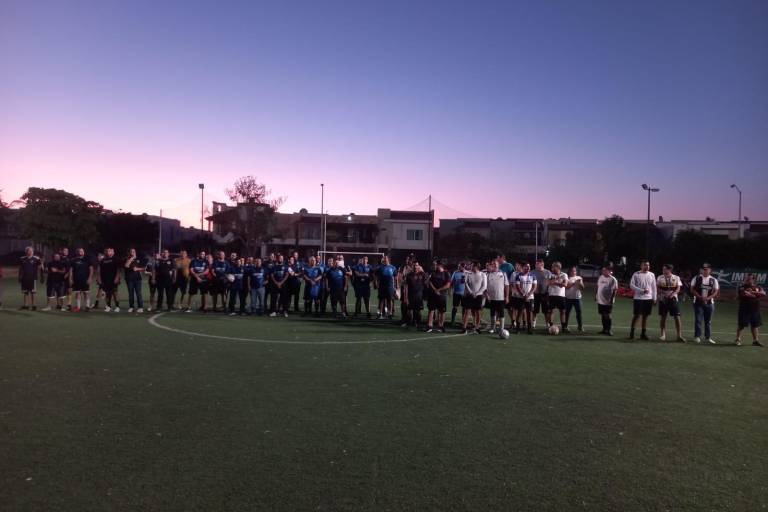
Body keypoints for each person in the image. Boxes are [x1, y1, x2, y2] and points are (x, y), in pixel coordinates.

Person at [691, 263, 720, 344]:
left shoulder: (713, 280)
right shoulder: (697, 278)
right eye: (703, 269)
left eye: (706, 269)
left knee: (708, 321)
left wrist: (707, 298)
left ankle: (708, 337)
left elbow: (716, 291)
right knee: (698, 320)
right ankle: (697, 336)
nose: (705, 270)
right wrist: (700, 297)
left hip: (709, 303)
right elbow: (692, 289)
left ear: (710, 270)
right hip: (698, 302)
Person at [628, 260, 657, 340]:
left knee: (645, 317)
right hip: (638, 298)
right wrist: (642, 290)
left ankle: (643, 334)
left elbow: (654, 287)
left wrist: (654, 298)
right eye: (645, 265)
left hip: (648, 298)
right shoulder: (636, 274)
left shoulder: (652, 274)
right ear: (641, 266)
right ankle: (632, 333)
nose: (647, 267)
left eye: (648, 265)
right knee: (636, 316)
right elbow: (631, 285)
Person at [657, 264, 686, 342]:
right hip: (663, 299)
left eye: (665, 269)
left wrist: (673, 294)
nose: (663, 271)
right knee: (663, 317)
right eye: (663, 269)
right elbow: (657, 287)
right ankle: (663, 335)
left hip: (673, 299)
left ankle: (679, 336)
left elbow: (678, 288)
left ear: (670, 270)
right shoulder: (660, 277)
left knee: (677, 317)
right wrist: (664, 293)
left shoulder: (676, 277)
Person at [735, 274, 765, 347]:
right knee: (741, 325)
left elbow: (763, 294)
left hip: (755, 310)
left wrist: (754, 292)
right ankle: (738, 339)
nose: (747, 280)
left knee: (755, 325)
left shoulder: (758, 287)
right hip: (744, 309)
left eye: (749, 279)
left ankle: (755, 340)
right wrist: (755, 295)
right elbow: (746, 295)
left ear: (753, 280)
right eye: (746, 279)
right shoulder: (742, 287)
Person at [462, 261, 487, 334]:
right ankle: (464, 327)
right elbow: (465, 283)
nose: (470, 267)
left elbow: (484, 286)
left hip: (478, 296)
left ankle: (477, 327)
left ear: (476, 266)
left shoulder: (483, 274)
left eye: (472, 266)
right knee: (467, 311)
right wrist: (471, 292)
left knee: (478, 312)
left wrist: (477, 293)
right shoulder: (468, 273)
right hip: (469, 295)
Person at [425, 262, 451, 333]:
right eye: (434, 265)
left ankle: (441, 326)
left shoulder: (446, 274)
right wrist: (435, 290)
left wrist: (439, 290)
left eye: (436, 265)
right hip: (432, 295)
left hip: (441, 296)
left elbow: (448, 285)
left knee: (442, 311)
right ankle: (429, 326)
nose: (435, 266)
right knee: (431, 310)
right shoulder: (433, 273)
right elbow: (429, 282)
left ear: (440, 265)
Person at [485, 260, 509, 334]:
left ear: (498, 265)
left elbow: (507, 285)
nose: (494, 265)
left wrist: (507, 296)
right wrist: (487, 296)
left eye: (495, 264)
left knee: (501, 313)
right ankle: (493, 328)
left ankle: (501, 328)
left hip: (501, 297)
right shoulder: (488, 275)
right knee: (492, 313)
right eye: (493, 264)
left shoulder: (503, 273)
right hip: (491, 298)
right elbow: (485, 287)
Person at [403, 262, 428, 329]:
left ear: (419, 266)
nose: (415, 267)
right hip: (411, 295)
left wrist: (425, 295)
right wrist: (405, 297)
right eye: (414, 265)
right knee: (409, 310)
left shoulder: (422, 274)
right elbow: (406, 287)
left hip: (419, 295)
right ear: (412, 266)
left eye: (417, 265)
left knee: (418, 310)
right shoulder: (409, 275)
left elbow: (426, 283)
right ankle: (409, 322)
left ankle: (418, 323)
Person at [596, 263, 619, 335]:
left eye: (605, 270)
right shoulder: (601, 277)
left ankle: (609, 330)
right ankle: (604, 329)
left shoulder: (613, 279)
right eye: (603, 270)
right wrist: (595, 295)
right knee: (602, 314)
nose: (603, 272)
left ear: (609, 271)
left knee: (608, 315)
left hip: (608, 301)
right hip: (600, 300)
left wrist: (612, 298)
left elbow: (615, 290)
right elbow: (598, 287)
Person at [514, 262, 537, 335]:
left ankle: (529, 329)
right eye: (526, 266)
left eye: (529, 266)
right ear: (523, 267)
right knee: (520, 313)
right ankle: (517, 329)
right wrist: (524, 295)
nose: (528, 268)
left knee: (529, 313)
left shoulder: (533, 276)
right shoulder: (518, 276)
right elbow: (518, 287)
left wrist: (528, 295)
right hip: (520, 298)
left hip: (530, 298)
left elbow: (534, 287)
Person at [19, 246, 43, 310]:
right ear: (26, 251)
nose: (30, 252)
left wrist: (40, 274)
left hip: (33, 278)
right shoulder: (22, 258)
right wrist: (20, 276)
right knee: (25, 292)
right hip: (24, 278)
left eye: (31, 251)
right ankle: (26, 305)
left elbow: (40, 266)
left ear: (33, 251)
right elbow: (21, 268)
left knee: (33, 292)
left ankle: (34, 306)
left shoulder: (36, 258)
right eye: (28, 251)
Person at [98, 247, 121, 312]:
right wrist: (99, 278)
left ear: (112, 252)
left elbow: (118, 270)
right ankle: (108, 306)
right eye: (107, 251)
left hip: (113, 279)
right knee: (107, 293)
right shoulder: (103, 260)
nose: (108, 252)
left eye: (110, 251)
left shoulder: (115, 259)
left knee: (115, 293)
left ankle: (117, 307)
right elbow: (100, 270)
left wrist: (117, 278)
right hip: (105, 279)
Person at [546, 262, 568, 332]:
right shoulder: (550, 274)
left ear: (558, 267)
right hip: (552, 295)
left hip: (561, 295)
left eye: (553, 267)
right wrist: (559, 283)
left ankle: (564, 327)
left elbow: (565, 284)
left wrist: (555, 282)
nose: (552, 268)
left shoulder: (564, 275)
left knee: (563, 311)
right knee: (551, 311)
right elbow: (548, 283)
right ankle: (551, 326)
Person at [70, 248, 93, 312]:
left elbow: (91, 269)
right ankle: (78, 307)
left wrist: (90, 278)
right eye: (79, 251)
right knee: (77, 293)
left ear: (84, 252)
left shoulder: (87, 260)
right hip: (76, 279)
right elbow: (71, 270)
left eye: (82, 251)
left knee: (86, 293)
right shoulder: (73, 260)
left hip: (85, 279)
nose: (80, 252)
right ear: (77, 252)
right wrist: (70, 278)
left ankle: (87, 306)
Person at [374, 256, 397, 320]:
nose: (384, 260)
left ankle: (389, 314)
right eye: (384, 259)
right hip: (381, 286)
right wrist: (375, 283)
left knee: (390, 300)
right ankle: (380, 314)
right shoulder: (380, 267)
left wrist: (396, 285)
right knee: (381, 300)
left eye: (385, 259)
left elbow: (395, 277)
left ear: (388, 260)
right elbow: (375, 275)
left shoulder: (393, 267)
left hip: (390, 286)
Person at [531, 259, 552, 329]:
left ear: (542, 264)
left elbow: (550, 282)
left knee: (546, 311)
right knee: (534, 310)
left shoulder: (548, 272)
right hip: (535, 294)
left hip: (544, 294)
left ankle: (547, 325)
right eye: (536, 264)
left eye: (538, 264)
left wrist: (548, 292)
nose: (536, 265)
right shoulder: (532, 272)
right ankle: (533, 324)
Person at [564, 266, 585, 334]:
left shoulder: (579, 278)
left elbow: (582, 288)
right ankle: (565, 326)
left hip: (577, 298)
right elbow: (566, 287)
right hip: (568, 298)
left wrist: (580, 283)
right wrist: (573, 283)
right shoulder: (567, 278)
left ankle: (580, 326)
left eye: (574, 271)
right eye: (572, 271)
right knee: (567, 313)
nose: (573, 272)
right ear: (569, 271)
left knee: (579, 313)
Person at [123, 248, 145, 313]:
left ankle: (140, 307)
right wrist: (131, 258)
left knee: (138, 293)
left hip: (137, 279)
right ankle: (131, 307)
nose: (132, 252)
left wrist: (137, 269)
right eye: (131, 251)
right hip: (129, 279)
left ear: (135, 252)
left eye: (133, 251)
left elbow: (144, 268)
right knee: (131, 294)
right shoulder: (127, 259)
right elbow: (126, 265)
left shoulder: (139, 259)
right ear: (129, 253)